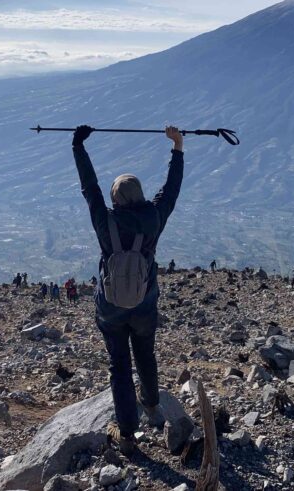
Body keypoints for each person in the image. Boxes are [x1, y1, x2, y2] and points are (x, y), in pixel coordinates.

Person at [73, 123, 184, 455]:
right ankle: (151, 404)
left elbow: (89, 186)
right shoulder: (155, 217)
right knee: (145, 353)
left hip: (110, 308)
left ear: (116, 198)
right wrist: (177, 146)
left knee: (119, 364)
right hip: (145, 304)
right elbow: (172, 189)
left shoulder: (104, 221)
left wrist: (79, 146)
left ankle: (127, 434)